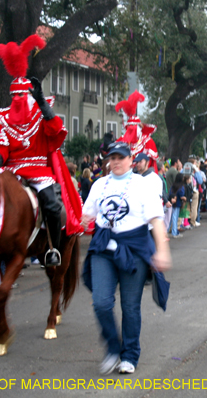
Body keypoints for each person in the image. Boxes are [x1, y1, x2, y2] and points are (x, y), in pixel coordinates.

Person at [0, 34, 81, 268]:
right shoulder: (4, 119)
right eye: (14, 95)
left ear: (30, 96)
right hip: (11, 171)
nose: (17, 99)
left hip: (38, 170)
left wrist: (42, 104)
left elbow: (56, 131)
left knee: (51, 203)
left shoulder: (40, 115)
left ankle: (53, 249)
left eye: (22, 95)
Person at [80, 141, 171, 375]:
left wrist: (162, 251)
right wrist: (76, 220)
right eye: (113, 157)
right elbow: (86, 215)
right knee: (101, 302)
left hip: (134, 249)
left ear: (131, 160)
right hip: (104, 249)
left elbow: (156, 220)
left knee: (130, 307)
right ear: (108, 160)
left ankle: (129, 355)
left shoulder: (143, 185)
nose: (117, 161)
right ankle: (113, 348)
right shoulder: (99, 184)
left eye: (121, 157)